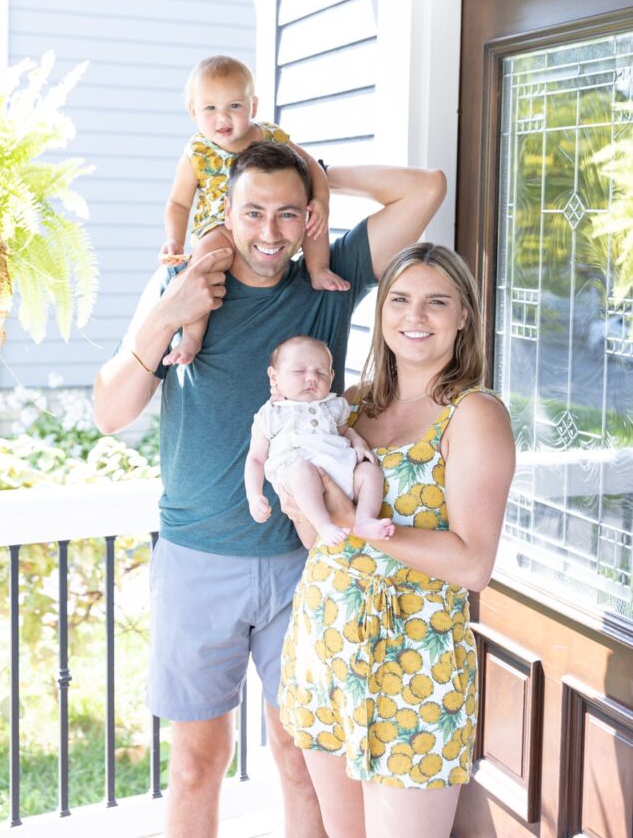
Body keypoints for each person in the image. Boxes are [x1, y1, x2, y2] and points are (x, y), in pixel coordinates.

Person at [93, 143, 446, 838]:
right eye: (252, 211)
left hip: (302, 564)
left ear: (310, 218)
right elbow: (110, 413)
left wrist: (322, 178)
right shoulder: (184, 283)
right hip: (200, 559)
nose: (269, 232)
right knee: (198, 763)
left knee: (302, 756)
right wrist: (171, 312)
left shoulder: (329, 277)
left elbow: (424, 191)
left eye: (289, 214)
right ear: (223, 212)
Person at [278, 243, 516, 838]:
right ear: (382, 312)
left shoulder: (473, 414)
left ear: (464, 315)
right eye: (401, 300)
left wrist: (361, 525)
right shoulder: (350, 406)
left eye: (437, 302)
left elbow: (471, 565)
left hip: (418, 658)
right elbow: (320, 541)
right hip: (326, 642)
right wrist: (302, 504)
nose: (416, 316)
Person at [160, 54, 348, 366]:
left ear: (253, 107)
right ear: (193, 112)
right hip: (219, 227)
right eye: (210, 108)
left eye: (234, 106)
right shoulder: (197, 153)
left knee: (310, 216)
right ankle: (192, 334)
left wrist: (322, 200)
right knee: (203, 261)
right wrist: (174, 240)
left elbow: (311, 166)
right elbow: (178, 203)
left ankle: (318, 270)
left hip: (269, 217)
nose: (223, 118)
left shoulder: (270, 136)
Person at [245, 335, 395, 546]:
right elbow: (255, 459)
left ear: (332, 376)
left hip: (342, 469)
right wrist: (254, 495)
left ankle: (364, 519)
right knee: (302, 470)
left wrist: (359, 443)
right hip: (299, 477)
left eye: (321, 373)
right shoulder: (270, 414)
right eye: (299, 371)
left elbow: (345, 430)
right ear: (274, 377)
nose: (311, 378)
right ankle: (323, 524)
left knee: (370, 472)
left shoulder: (334, 405)